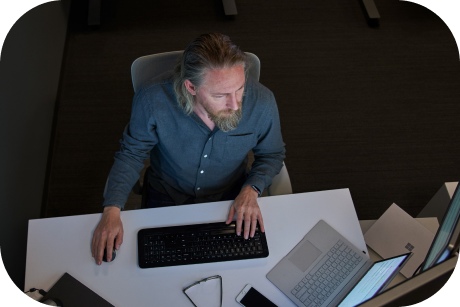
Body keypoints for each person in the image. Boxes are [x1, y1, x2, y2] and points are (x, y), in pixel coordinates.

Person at [91, 33, 285, 265]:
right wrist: (112, 209)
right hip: (167, 191)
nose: (235, 105)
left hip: (231, 196)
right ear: (191, 87)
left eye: (240, 89)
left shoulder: (262, 102)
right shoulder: (152, 99)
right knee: (154, 265)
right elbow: (132, 153)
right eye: (220, 95)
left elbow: (272, 155)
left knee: (239, 264)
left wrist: (251, 189)